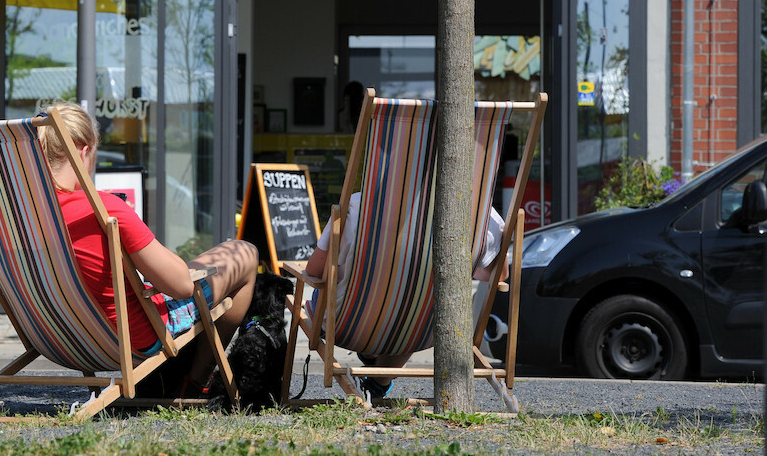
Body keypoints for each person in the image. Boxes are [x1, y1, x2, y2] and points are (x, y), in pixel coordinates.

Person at [38, 102, 258, 397]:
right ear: (84, 151)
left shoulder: (15, 216)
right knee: (244, 253)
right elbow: (181, 287)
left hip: (58, 338)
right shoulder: (102, 209)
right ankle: (192, 383)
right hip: (133, 338)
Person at [304, 192, 505, 401]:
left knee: (393, 300)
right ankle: (378, 379)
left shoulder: (358, 203)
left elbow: (315, 270)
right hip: (424, 330)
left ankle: (372, 353)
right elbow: (499, 276)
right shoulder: (481, 213)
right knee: (419, 306)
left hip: (347, 323)